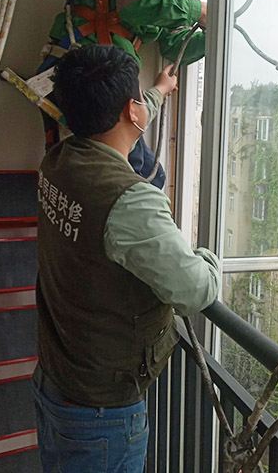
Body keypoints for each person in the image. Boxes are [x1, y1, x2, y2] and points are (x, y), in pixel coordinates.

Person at [33, 44, 221, 473]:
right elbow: (196, 290)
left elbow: (128, 114)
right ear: (129, 111)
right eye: (138, 100)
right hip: (99, 413)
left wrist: (158, 90)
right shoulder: (129, 201)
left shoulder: (58, 160)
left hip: (56, 380)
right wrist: (206, 254)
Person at [33, 0, 212, 187]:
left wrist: (212, 37)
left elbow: (172, 45)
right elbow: (134, 3)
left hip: (111, 65)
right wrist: (197, 10)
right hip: (86, 59)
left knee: (142, 173)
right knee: (142, 175)